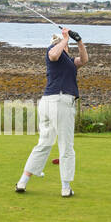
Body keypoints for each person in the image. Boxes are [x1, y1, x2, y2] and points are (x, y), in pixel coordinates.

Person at [16, 27, 88, 198]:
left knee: (45, 143)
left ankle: (22, 182)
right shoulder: (53, 51)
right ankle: (65, 187)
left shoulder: (69, 61)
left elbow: (84, 60)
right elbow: (54, 54)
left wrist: (79, 41)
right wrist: (64, 39)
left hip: (50, 103)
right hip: (59, 103)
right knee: (66, 146)